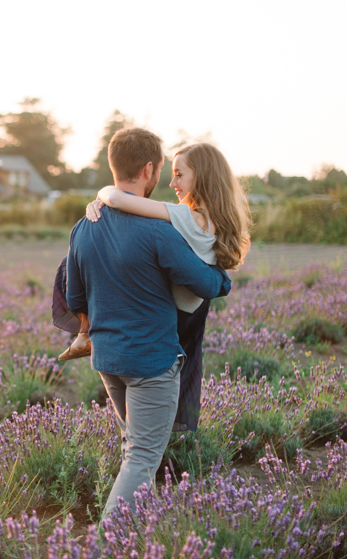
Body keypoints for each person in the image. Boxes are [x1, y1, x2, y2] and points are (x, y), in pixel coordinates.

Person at [64, 128, 232, 516]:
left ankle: (139, 532)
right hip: (151, 362)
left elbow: (75, 294)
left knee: (135, 449)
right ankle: (106, 550)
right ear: (150, 169)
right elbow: (206, 283)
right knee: (140, 459)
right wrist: (224, 277)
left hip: (108, 359)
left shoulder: (84, 225)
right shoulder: (159, 230)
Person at [80, 142, 253, 433]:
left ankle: (145, 458)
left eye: (179, 174)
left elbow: (121, 201)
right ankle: (154, 456)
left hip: (174, 318)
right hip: (193, 313)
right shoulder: (213, 218)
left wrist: (103, 194)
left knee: (146, 416)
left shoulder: (188, 217)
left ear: (202, 176)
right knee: (166, 401)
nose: (172, 183)